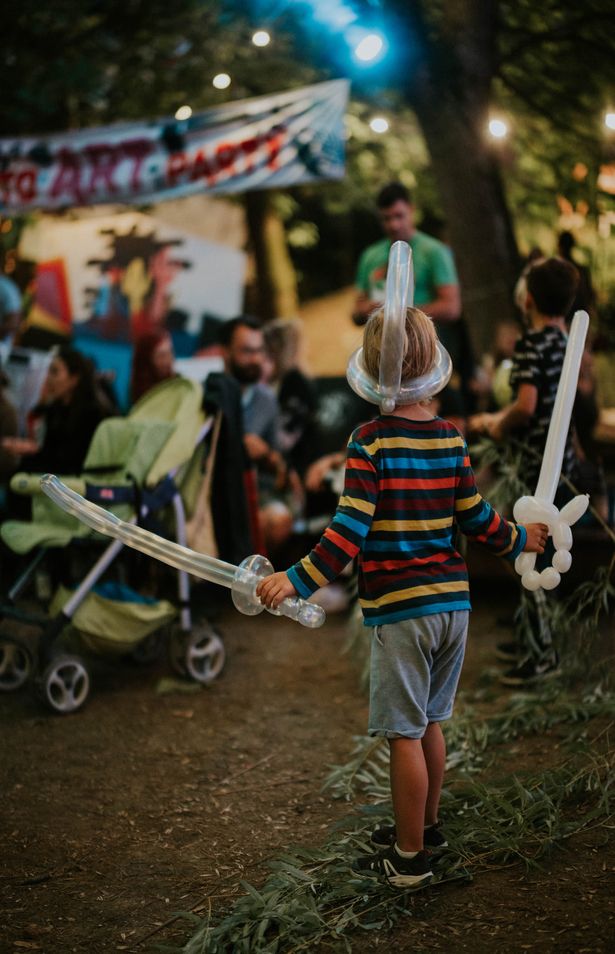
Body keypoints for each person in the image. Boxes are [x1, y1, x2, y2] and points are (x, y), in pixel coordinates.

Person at [257, 305, 547, 888]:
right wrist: (520, 540)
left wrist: (298, 577)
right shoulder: (451, 440)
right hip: (453, 609)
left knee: (404, 733)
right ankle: (428, 826)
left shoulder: (369, 443)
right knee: (432, 722)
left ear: (369, 371)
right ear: (432, 369)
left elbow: (348, 531)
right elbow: (479, 519)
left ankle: (410, 858)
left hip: (404, 611)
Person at [468, 257, 581, 684]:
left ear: (528, 299)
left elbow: (527, 406)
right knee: (531, 552)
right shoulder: (566, 343)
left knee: (520, 550)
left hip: (533, 469)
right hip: (559, 465)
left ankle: (540, 654)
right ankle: (531, 634)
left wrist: (493, 423)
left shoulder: (531, 343)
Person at [220, 316, 292, 554]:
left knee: (277, 520)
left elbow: (278, 465)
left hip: (254, 491)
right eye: (246, 351)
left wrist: (265, 454)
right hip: (218, 492)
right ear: (225, 352)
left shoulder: (267, 400)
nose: (255, 359)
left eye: (259, 351)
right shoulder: (210, 395)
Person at [2, 345, 109, 480]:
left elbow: (69, 461)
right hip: (53, 474)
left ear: (74, 379)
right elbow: (47, 449)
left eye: (54, 372)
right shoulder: (55, 409)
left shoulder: (91, 414)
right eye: (48, 372)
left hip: (73, 483)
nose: (48, 378)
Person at [130, 328, 176, 405]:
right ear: (146, 361)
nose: (168, 360)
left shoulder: (178, 383)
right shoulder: (144, 396)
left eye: (170, 353)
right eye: (161, 356)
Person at [557, 231, 596, 320]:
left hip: (562, 319)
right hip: (579, 320)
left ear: (560, 246)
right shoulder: (582, 270)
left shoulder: (556, 271)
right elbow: (590, 295)